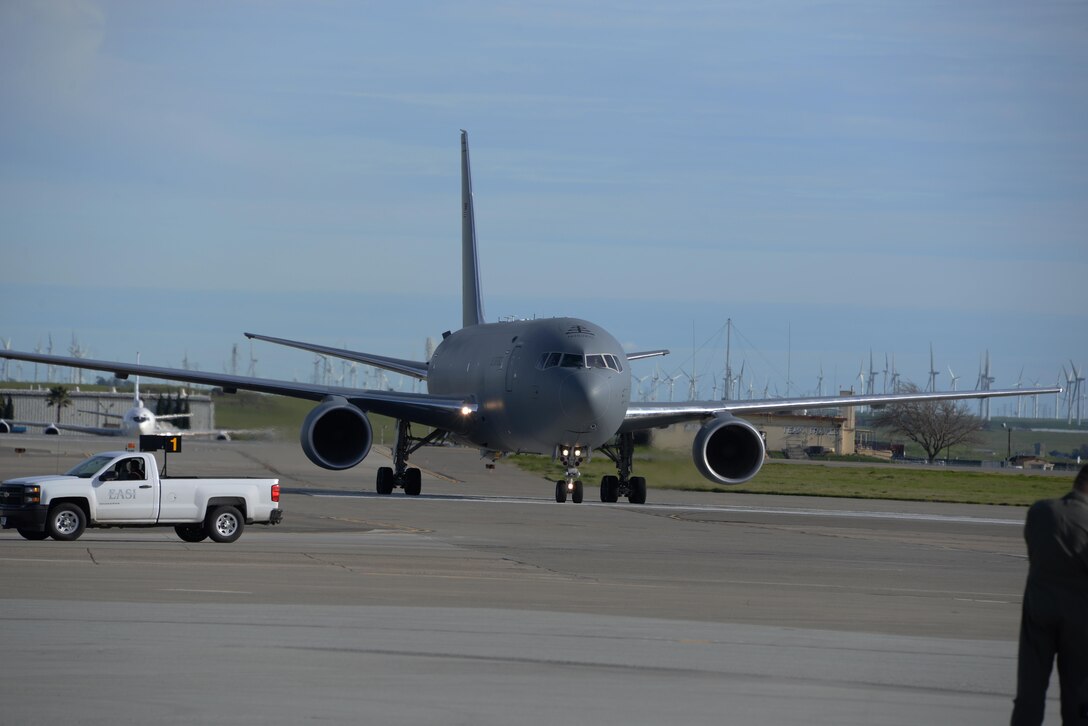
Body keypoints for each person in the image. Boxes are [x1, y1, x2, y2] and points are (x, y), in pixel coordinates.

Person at [1011, 464, 1088, 725]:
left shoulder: (1040, 511)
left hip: (1038, 609)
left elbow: (1034, 552)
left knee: (1029, 693)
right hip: (1080, 618)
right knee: (1077, 695)